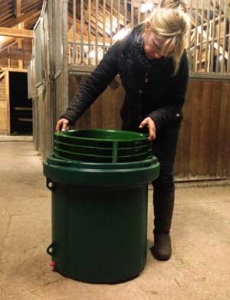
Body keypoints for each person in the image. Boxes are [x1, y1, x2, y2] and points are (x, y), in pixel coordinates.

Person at [56, 7, 190, 261]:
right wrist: (70, 113)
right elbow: (96, 81)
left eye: (166, 51)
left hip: (165, 123)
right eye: (157, 45)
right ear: (148, 27)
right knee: (129, 174)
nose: (159, 53)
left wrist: (156, 118)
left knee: (164, 177)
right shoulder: (124, 47)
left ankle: (162, 234)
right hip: (132, 121)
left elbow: (176, 102)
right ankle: (129, 223)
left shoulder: (178, 58)